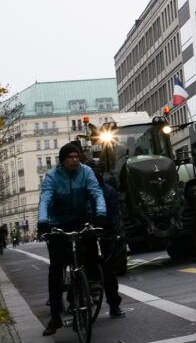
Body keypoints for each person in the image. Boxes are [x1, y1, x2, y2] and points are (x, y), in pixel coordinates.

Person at [37, 143, 107, 336]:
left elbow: (96, 193)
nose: (75, 159)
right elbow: (45, 199)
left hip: (80, 218)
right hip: (58, 222)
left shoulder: (86, 172)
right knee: (56, 269)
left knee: (91, 243)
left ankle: (91, 282)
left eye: (77, 156)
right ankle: (55, 316)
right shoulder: (52, 177)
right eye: (70, 157)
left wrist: (100, 214)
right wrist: (43, 222)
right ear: (62, 161)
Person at [86, 157, 125, 318]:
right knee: (84, 265)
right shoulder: (83, 191)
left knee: (109, 272)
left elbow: (115, 213)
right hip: (88, 231)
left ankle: (114, 305)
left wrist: (115, 229)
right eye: (94, 173)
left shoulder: (109, 191)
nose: (97, 175)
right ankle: (76, 302)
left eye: (99, 172)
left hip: (105, 232)